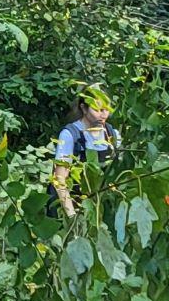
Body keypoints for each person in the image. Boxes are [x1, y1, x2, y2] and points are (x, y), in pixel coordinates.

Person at [51, 89, 121, 217]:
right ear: (84, 108)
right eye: (97, 110)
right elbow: (60, 179)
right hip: (69, 205)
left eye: (106, 109)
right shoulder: (70, 134)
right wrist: (71, 215)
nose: (103, 115)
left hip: (99, 207)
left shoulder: (113, 134)